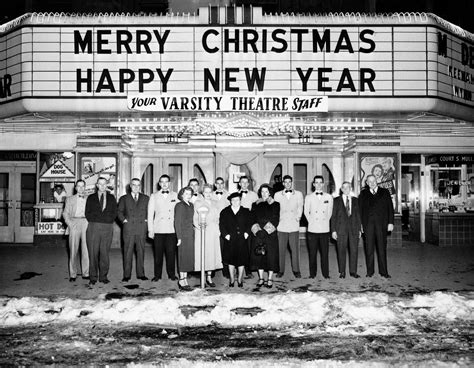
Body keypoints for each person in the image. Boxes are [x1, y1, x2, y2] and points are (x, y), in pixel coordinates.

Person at [359, 174, 395, 278]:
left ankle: (384, 272)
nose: (372, 183)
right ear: (366, 183)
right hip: (368, 226)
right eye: (369, 182)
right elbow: (360, 211)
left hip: (382, 226)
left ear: (377, 180)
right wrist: (361, 225)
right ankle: (370, 272)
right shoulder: (363, 194)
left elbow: (390, 209)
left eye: (373, 181)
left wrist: (391, 222)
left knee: (382, 249)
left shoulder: (385, 192)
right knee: (369, 250)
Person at [85, 177, 118, 285]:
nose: (103, 186)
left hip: (107, 227)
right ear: (97, 185)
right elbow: (87, 213)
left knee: (104, 252)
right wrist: (96, 220)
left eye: (105, 184)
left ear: (106, 185)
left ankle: (103, 276)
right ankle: (93, 277)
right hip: (93, 227)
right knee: (93, 252)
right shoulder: (91, 197)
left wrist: (108, 221)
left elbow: (114, 212)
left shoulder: (112, 197)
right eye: (100, 184)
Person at [117, 178, 150, 282]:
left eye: (138, 185)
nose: (136, 187)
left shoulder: (146, 198)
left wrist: (147, 220)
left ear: (140, 186)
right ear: (130, 186)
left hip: (141, 228)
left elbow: (151, 211)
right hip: (129, 228)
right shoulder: (124, 198)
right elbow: (119, 212)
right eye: (134, 185)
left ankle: (141, 274)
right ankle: (127, 275)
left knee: (141, 252)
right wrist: (124, 220)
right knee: (127, 252)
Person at [148, 174, 178, 282]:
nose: (164, 184)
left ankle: (172, 274)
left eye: (166, 182)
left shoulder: (175, 195)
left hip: (171, 229)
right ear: (159, 183)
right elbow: (150, 214)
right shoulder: (154, 196)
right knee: (158, 254)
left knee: (171, 253)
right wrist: (150, 229)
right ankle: (157, 275)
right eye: (162, 182)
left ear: (169, 183)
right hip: (159, 229)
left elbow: (178, 213)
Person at [250, 184, 280, 288]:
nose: (264, 194)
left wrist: (266, 231)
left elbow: (275, 219)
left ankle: (270, 278)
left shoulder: (276, 204)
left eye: (266, 192)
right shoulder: (255, 204)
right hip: (258, 234)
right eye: (262, 192)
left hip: (270, 234)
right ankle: (261, 278)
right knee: (259, 257)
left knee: (271, 256)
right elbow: (252, 219)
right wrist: (258, 231)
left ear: (270, 192)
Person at [274, 175, 303, 279]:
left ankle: (296, 270)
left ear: (292, 182)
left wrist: (298, 217)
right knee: (280, 249)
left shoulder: (298, 194)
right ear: (283, 183)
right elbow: (275, 209)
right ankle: (280, 270)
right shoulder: (277, 195)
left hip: (293, 225)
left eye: (289, 182)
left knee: (295, 249)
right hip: (282, 226)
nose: (287, 184)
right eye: (285, 182)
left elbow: (300, 207)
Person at [193, 184, 223, 287]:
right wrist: (200, 228)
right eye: (206, 192)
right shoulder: (198, 202)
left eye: (210, 192)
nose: (208, 194)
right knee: (203, 254)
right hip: (203, 231)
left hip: (213, 231)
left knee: (211, 255)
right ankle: (202, 277)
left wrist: (219, 230)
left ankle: (209, 277)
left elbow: (219, 218)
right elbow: (195, 219)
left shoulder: (216, 203)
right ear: (202, 193)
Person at [304, 175, 333, 279]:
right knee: (312, 253)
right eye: (316, 182)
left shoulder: (328, 197)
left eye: (321, 182)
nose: (319, 184)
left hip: (324, 229)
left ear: (323, 184)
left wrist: (324, 222)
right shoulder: (308, 197)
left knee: (325, 253)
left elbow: (329, 212)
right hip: (312, 229)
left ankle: (326, 273)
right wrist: (312, 222)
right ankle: (313, 274)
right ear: (313, 184)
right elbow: (306, 212)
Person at [219, 192, 251, 287]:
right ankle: (232, 279)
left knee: (241, 260)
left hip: (242, 238)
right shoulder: (225, 211)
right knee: (231, 260)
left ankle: (240, 279)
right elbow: (222, 225)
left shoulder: (246, 211)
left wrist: (246, 233)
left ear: (240, 201)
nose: (235, 202)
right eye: (233, 200)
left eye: (237, 200)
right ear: (230, 201)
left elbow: (249, 224)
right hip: (230, 239)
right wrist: (225, 235)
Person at [331, 181, 362, 279]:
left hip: (354, 229)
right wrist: (333, 230)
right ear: (341, 189)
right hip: (341, 229)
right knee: (341, 250)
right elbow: (333, 216)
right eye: (343, 187)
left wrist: (360, 229)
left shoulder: (356, 200)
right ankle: (342, 272)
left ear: (351, 188)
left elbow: (358, 216)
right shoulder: (336, 200)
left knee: (354, 250)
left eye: (347, 187)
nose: (345, 189)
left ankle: (353, 271)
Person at [62, 179, 89, 282]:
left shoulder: (89, 198)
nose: (81, 188)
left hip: (86, 223)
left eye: (83, 186)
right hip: (74, 223)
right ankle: (73, 274)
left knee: (86, 249)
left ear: (85, 187)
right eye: (79, 186)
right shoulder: (69, 199)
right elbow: (65, 213)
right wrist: (70, 224)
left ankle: (86, 273)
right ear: (76, 188)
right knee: (73, 249)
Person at [174, 186, 195, 291]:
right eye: (186, 194)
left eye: (190, 194)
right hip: (183, 236)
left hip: (191, 235)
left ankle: (185, 279)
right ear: (182, 195)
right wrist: (179, 237)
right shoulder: (179, 205)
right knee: (182, 258)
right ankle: (181, 280)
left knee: (187, 259)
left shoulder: (191, 205)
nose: (188, 196)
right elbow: (177, 222)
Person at [238, 175, 258, 279]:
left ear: (248, 184)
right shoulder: (235, 195)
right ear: (239, 184)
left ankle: (249, 269)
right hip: (238, 225)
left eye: (246, 182)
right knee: (239, 247)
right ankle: (239, 268)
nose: (245, 184)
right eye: (242, 182)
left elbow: (256, 211)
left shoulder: (254, 195)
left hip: (249, 225)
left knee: (249, 247)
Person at [212, 176, 230, 278]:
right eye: (217, 183)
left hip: (225, 225)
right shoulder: (210, 195)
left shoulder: (228, 195)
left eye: (221, 183)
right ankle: (212, 269)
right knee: (214, 247)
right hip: (213, 225)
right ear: (215, 185)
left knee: (225, 248)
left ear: (224, 185)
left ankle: (225, 270)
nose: (219, 185)